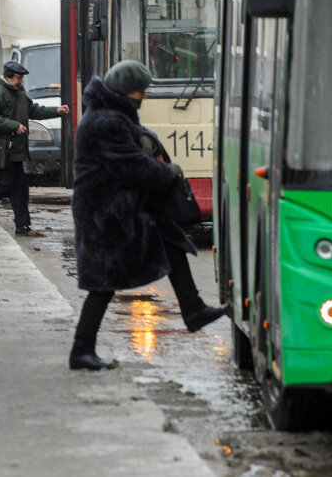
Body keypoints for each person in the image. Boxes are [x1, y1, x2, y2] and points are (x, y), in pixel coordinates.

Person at [68, 60, 228, 371]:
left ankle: (193, 309)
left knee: (170, 241)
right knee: (102, 283)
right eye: (141, 91)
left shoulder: (113, 114)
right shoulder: (107, 122)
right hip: (104, 213)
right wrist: (170, 171)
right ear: (127, 91)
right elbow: (136, 168)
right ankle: (81, 351)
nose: (144, 97)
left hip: (119, 207)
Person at [0, 61, 69, 235]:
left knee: (20, 187)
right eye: (19, 78)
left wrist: (57, 111)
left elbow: (34, 110)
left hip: (16, 150)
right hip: (2, 148)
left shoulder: (20, 93)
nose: (21, 81)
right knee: (4, 184)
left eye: (22, 78)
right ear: (8, 77)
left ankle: (22, 225)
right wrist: (13, 125)